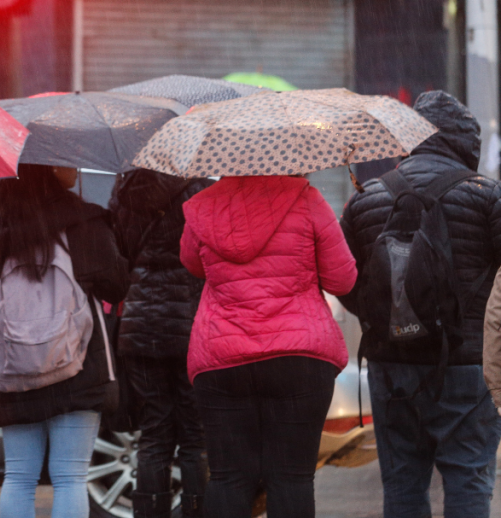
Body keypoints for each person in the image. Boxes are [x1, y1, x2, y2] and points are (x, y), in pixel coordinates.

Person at [340, 90, 501, 518]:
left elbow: (342, 276)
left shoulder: (366, 197)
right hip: (467, 366)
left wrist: (382, 317)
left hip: (391, 365)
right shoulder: (488, 196)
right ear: (467, 144)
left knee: (403, 486)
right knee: (469, 479)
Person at [180, 174, 356, 518]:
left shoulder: (202, 205)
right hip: (298, 352)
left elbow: (192, 264)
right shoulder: (307, 199)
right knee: (291, 478)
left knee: (228, 477)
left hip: (222, 355)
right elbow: (342, 279)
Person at [0, 164, 130, 518]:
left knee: (20, 476)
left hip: (12, 366)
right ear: (50, 167)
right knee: (70, 477)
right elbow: (117, 285)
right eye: (66, 159)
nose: (74, 167)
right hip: (77, 361)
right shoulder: (82, 219)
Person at [108, 169, 213, 518]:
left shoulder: (126, 191)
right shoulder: (201, 189)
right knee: (196, 434)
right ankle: (199, 511)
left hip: (142, 326)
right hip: (191, 321)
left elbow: (119, 252)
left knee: (154, 432)